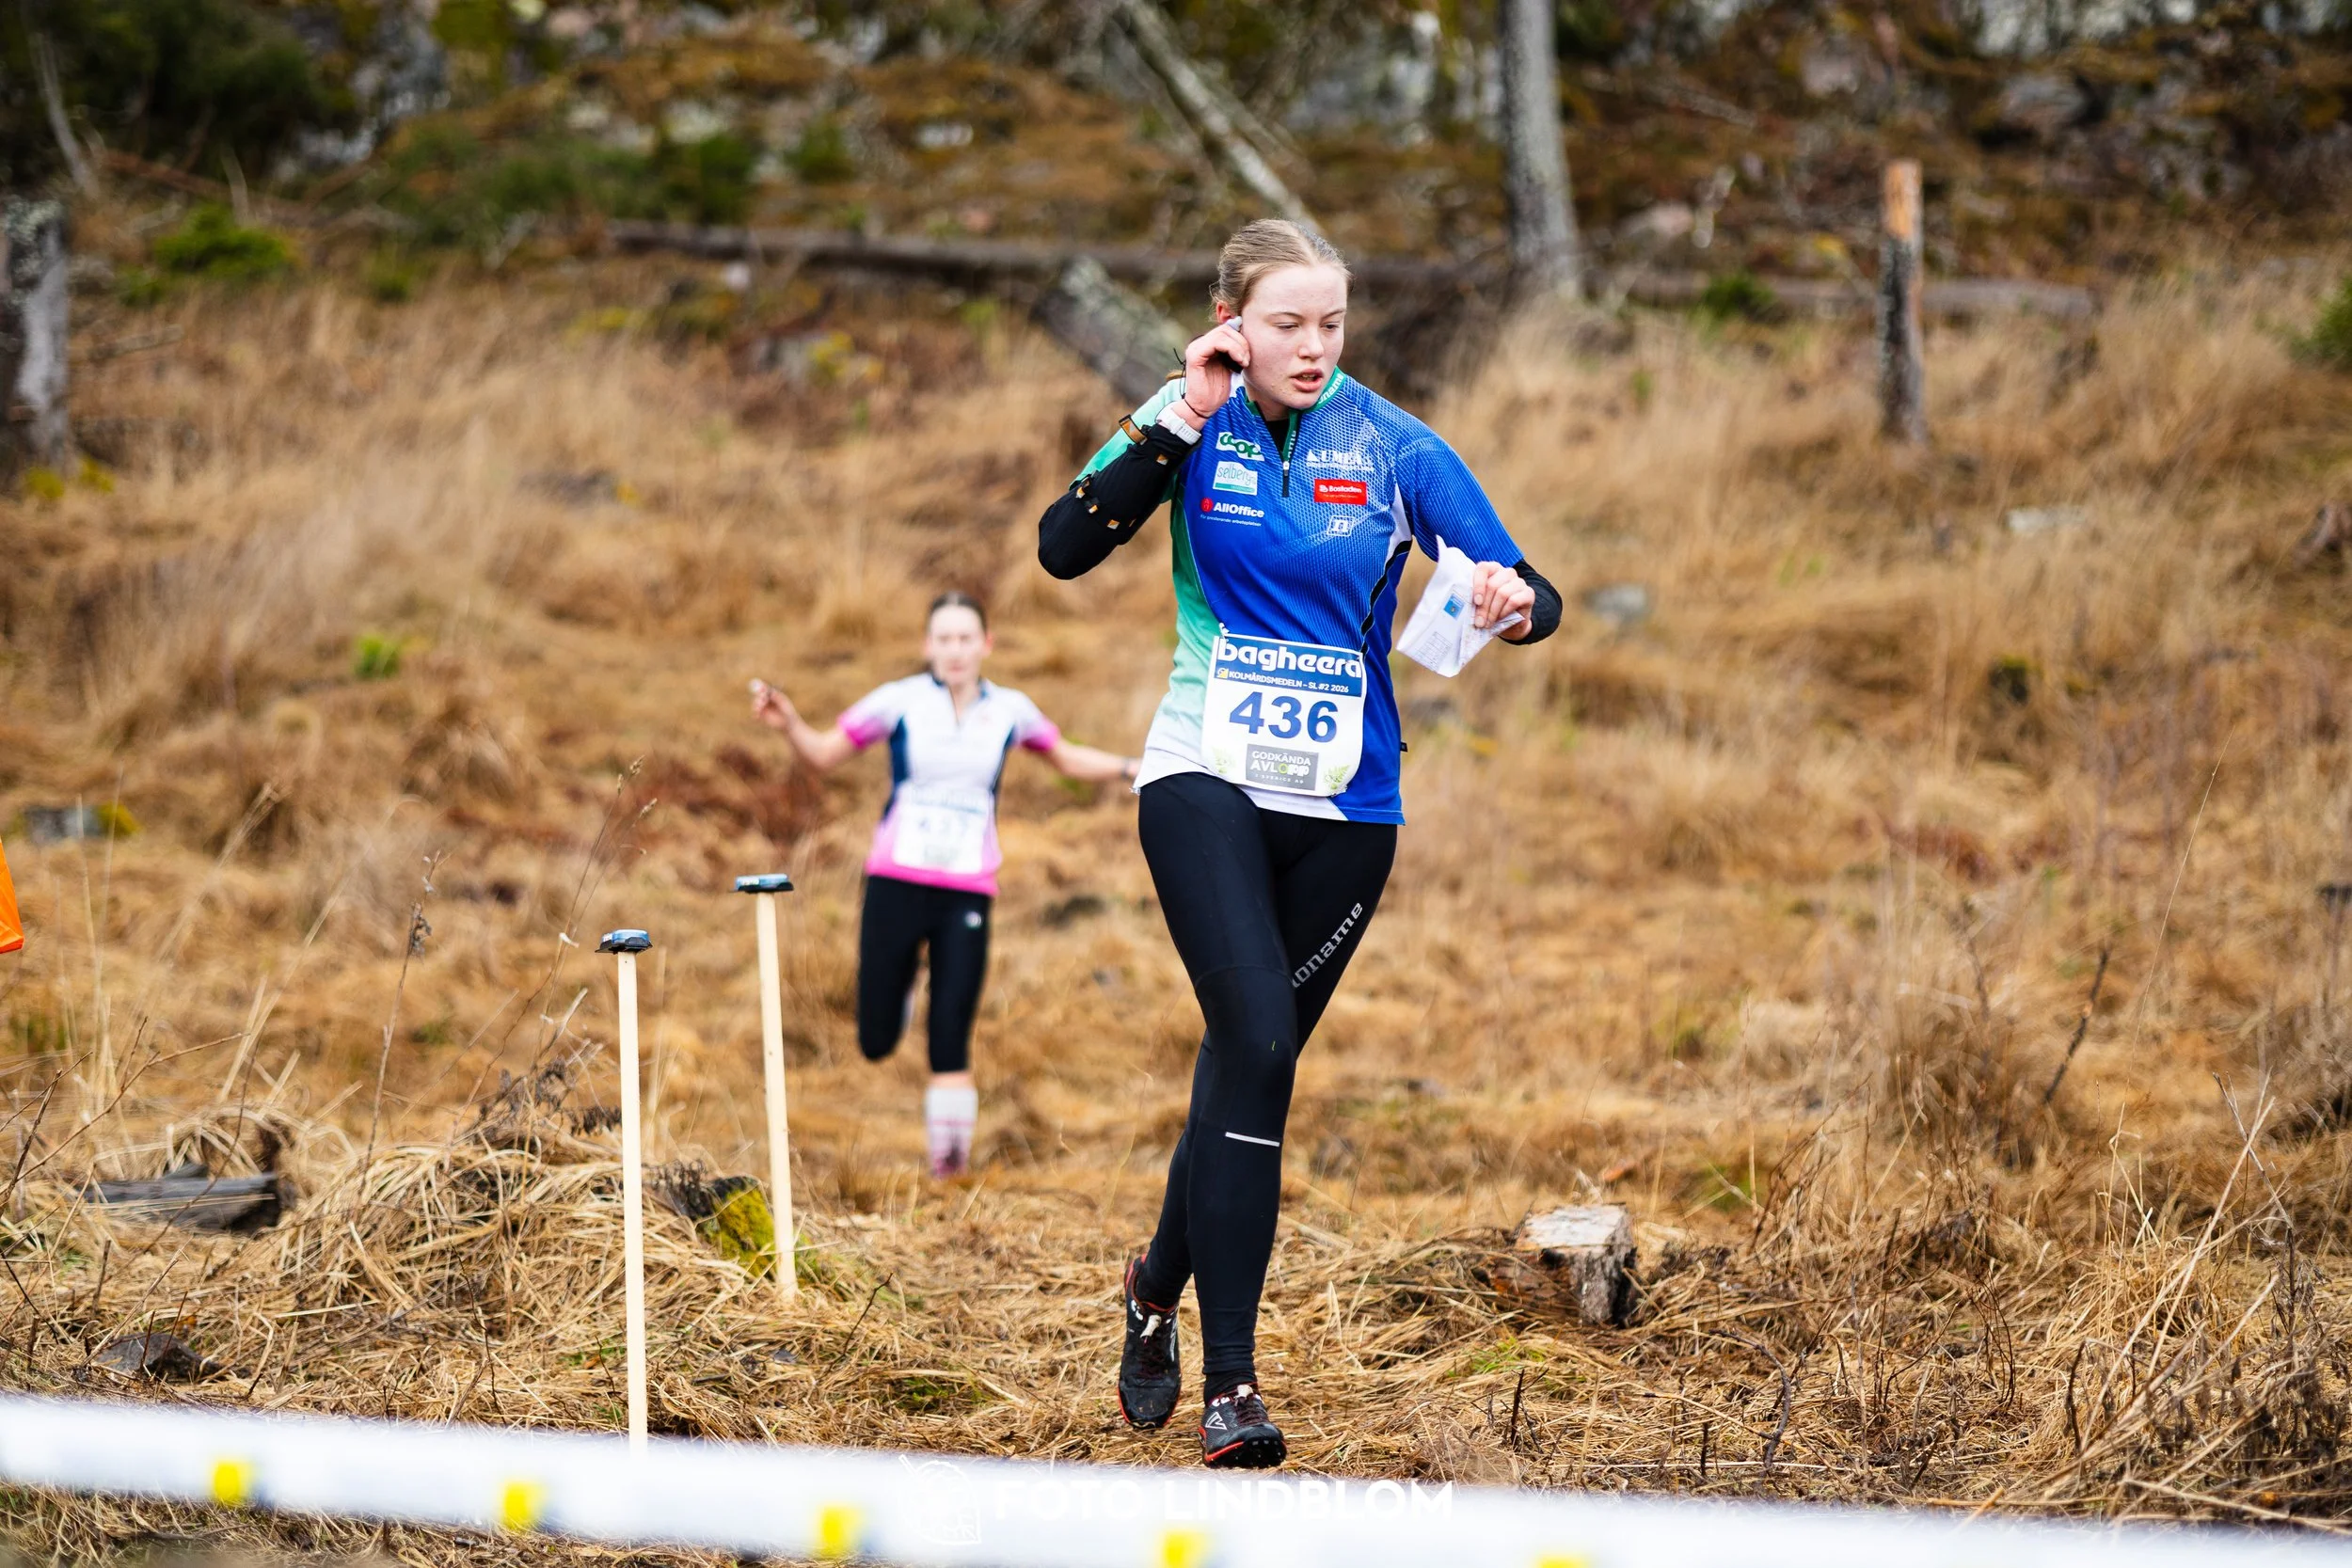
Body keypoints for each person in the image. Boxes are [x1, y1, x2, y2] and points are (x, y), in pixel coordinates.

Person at [1038, 219, 1563, 1468]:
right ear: (1231, 317)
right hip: (1202, 773)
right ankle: (1235, 1385)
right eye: (1288, 323)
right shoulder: (1190, 418)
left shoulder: (1392, 444)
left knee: (1245, 1066)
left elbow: (1533, 590)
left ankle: (1154, 1281)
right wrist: (1174, 409)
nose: (1315, 347)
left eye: (1332, 323)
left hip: (1347, 811)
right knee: (1260, 1037)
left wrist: (1508, 599)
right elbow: (1064, 546)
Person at [751, 591, 1139, 1178]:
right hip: (895, 881)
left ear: (986, 645)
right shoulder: (899, 701)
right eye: (944, 638)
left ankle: (947, 1170)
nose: (955, 650)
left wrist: (1129, 767)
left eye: (966, 639)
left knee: (951, 1030)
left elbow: (1062, 757)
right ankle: (900, 991)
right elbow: (826, 754)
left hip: (969, 889)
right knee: (876, 1040)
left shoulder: (1010, 710)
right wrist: (790, 725)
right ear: (927, 645)